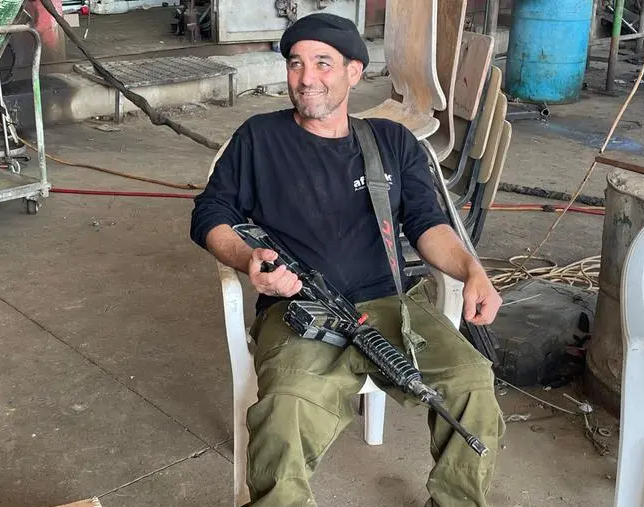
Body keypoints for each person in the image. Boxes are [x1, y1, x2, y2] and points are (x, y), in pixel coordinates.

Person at [190, 12, 505, 507]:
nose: (306, 78)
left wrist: (472, 271)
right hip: (300, 309)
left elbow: (427, 223)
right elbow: (210, 213)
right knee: (284, 415)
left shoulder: (392, 142)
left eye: (323, 63)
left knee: (472, 384)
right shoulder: (259, 138)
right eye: (296, 64)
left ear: (354, 71)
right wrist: (248, 258)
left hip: (391, 306)